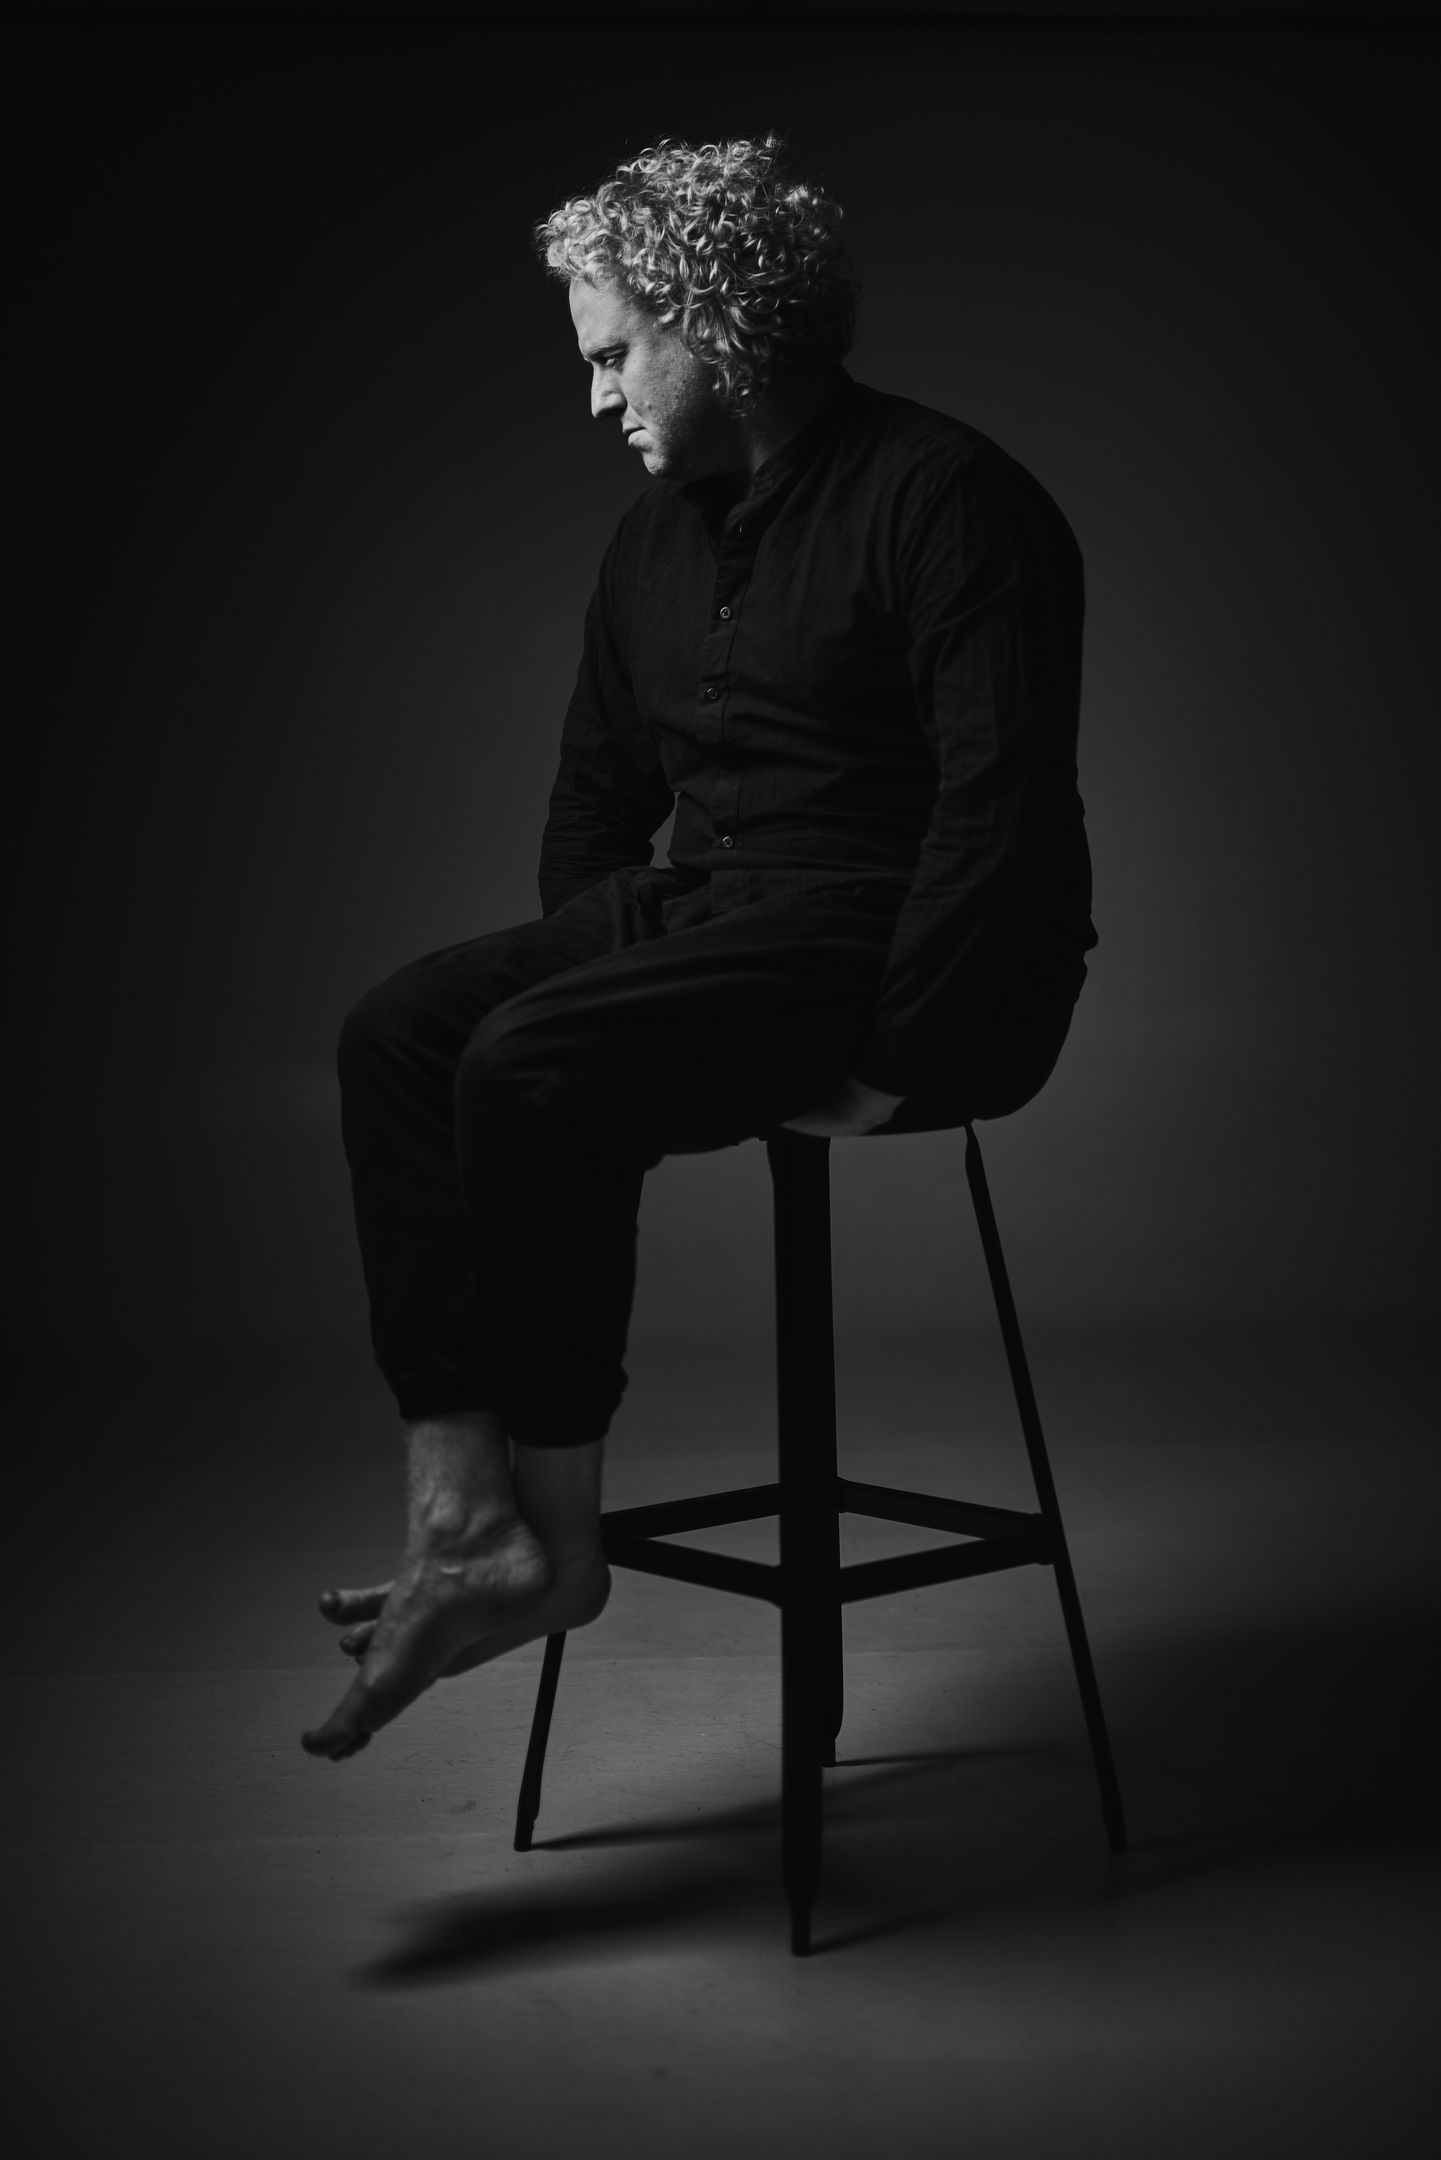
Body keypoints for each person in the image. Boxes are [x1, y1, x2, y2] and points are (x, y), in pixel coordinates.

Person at [302, 135, 1096, 1762]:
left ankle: (555, 1545)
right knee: (398, 1032)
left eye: (612, 355)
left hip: (885, 931)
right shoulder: (649, 537)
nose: (593, 398)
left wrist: (901, 1062)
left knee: (530, 1067)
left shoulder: (948, 497)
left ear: (715, 327)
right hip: (702, 913)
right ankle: (463, 1518)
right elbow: (594, 809)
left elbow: (1000, 812)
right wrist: (609, 968)